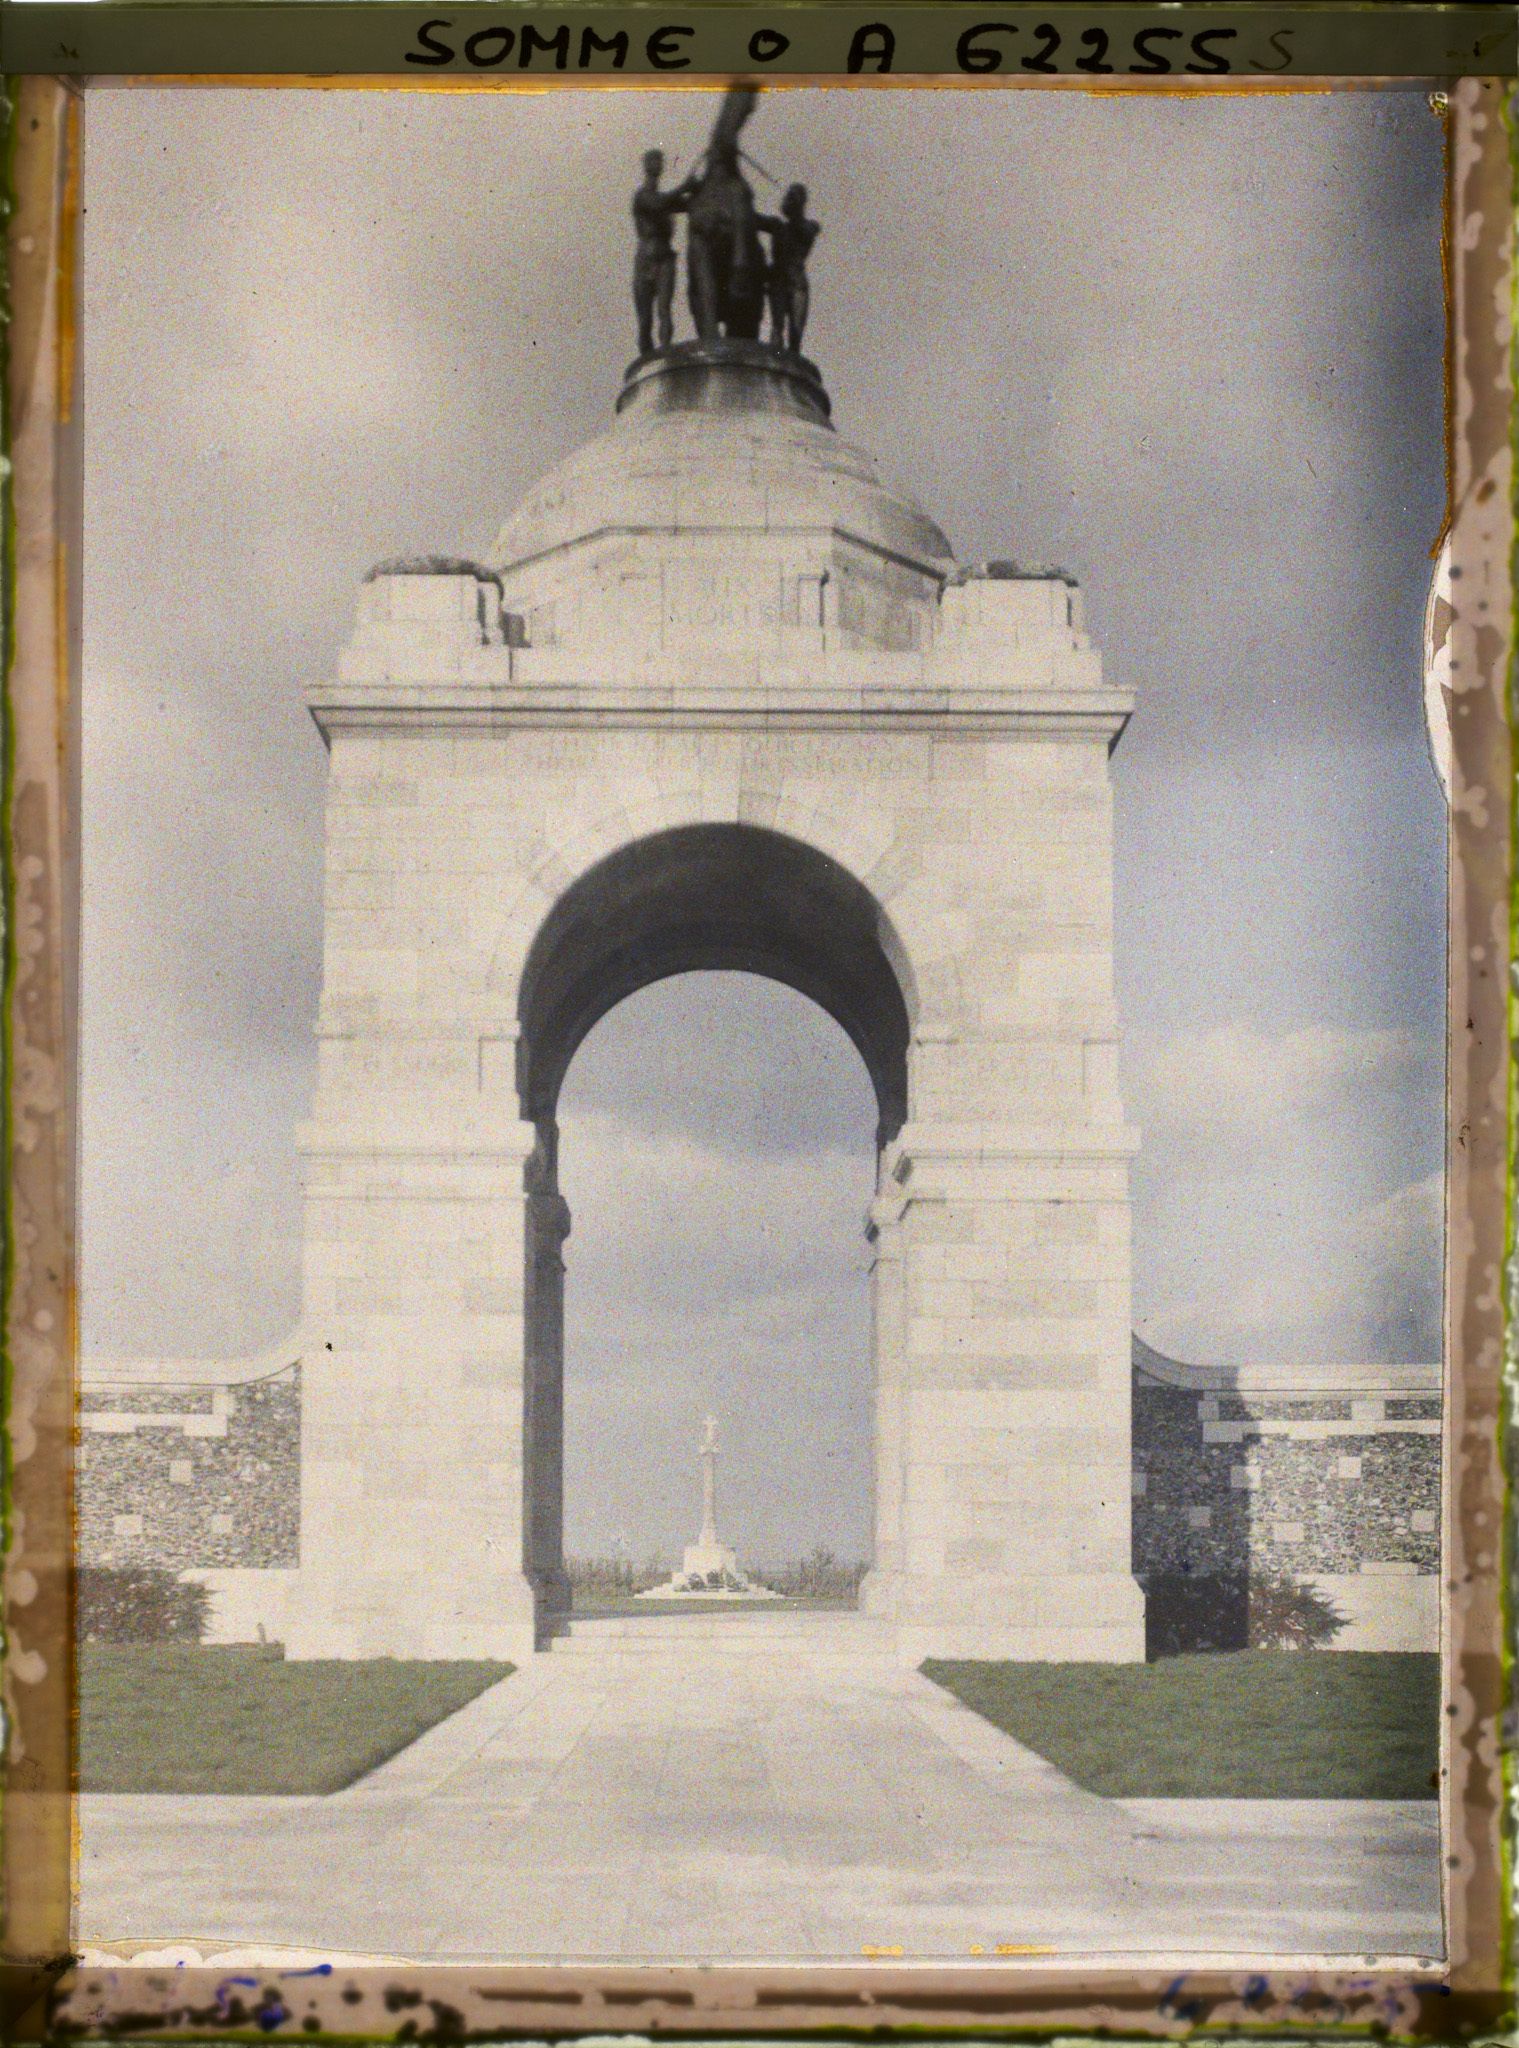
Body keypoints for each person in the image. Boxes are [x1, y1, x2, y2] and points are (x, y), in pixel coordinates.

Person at [631, 149, 694, 358]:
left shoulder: (665, 199)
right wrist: (685, 186)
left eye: (659, 160)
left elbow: (685, 204)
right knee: (645, 319)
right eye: (653, 160)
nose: (658, 164)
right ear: (646, 165)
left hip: (665, 258)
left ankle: (665, 352)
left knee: (664, 310)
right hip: (646, 259)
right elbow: (658, 205)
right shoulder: (641, 197)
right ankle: (647, 358)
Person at [759, 184, 820, 355]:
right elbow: (756, 220)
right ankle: (776, 360)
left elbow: (804, 230)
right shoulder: (778, 226)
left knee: (796, 332)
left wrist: (795, 207)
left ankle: (791, 361)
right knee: (777, 327)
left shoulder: (810, 226)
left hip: (796, 282)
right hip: (777, 280)